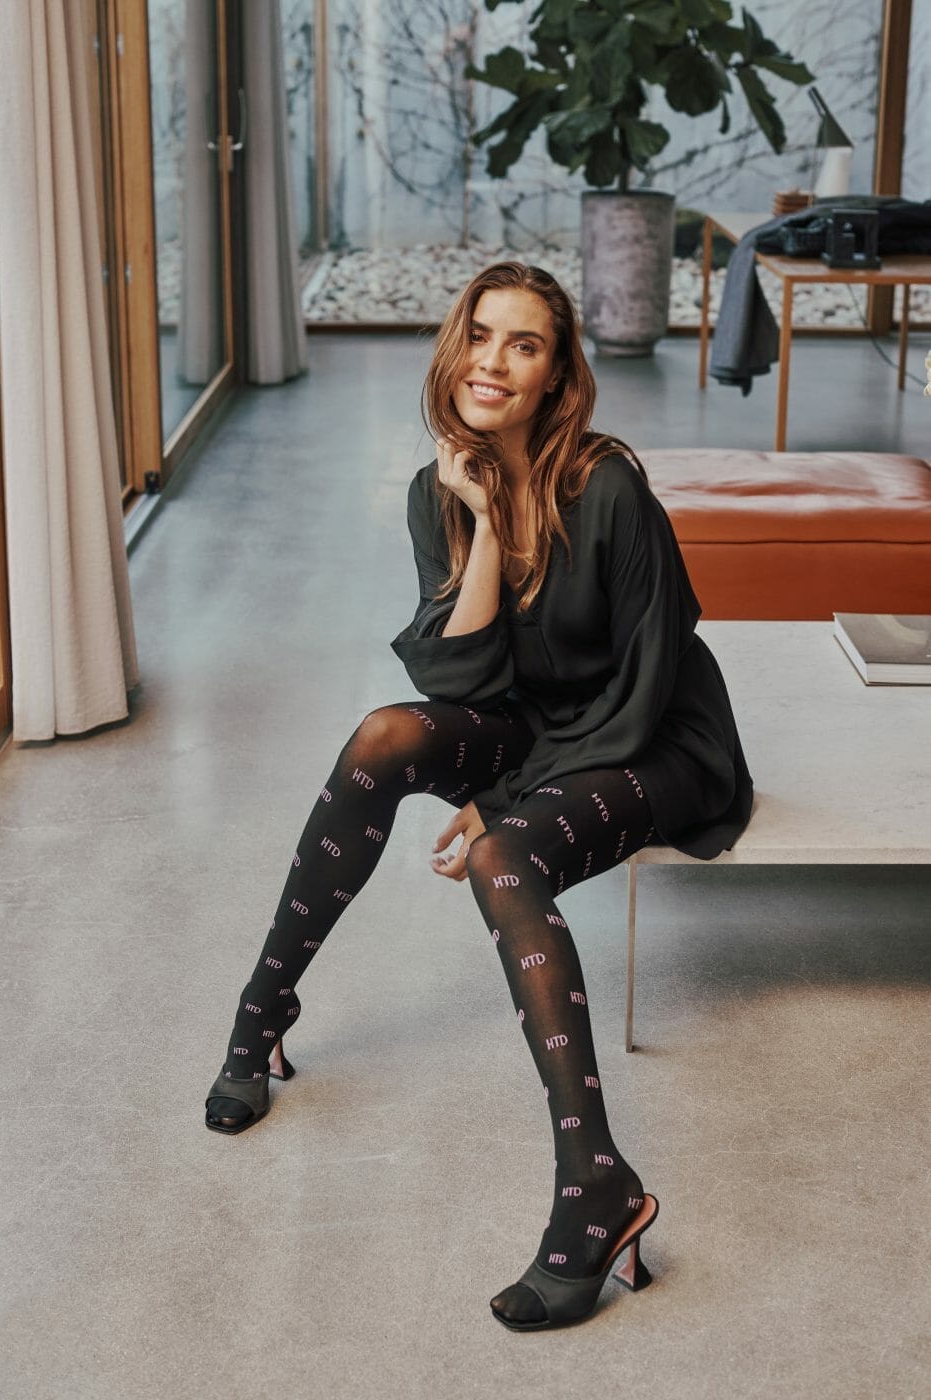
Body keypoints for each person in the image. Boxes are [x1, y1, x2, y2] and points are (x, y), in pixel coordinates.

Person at [204, 261, 754, 1331]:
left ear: (556, 377)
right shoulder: (441, 490)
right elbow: (459, 678)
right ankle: (261, 1014)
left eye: (524, 345)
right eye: (481, 336)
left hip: (655, 740)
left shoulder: (608, 485)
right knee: (385, 736)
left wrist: (506, 798)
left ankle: (596, 1188)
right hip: (543, 728)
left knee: (503, 854)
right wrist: (487, 521)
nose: (493, 363)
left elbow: (646, 681)